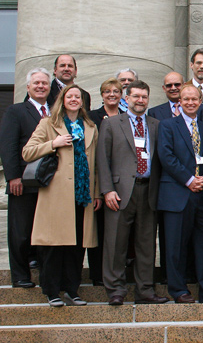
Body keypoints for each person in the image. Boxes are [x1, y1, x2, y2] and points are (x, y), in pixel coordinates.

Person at [22, 84, 102, 307]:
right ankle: (52, 290)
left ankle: (72, 290)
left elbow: (94, 165)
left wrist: (96, 194)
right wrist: (53, 144)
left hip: (82, 195)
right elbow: (27, 152)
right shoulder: (48, 123)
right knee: (54, 245)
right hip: (56, 195)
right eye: (70, 96)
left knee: (77, 247)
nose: (74, 99)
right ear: (62, 100)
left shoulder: (90, 127)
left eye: (78, 97)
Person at [97, 80, 169, 306]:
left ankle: (145, 290)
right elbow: (102, 159)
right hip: (119, 192)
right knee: (115, 243)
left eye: (144, 97)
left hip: (148, 191)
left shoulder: (157, 125)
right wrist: (107, 190)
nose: (140, 100)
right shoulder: (111, 124)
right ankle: (116, 289)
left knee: (146, 244)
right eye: (136, 96)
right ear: (126, 98)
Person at [157, 84, 203, 303]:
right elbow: (166, 156)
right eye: (186, 99)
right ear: (179, 101)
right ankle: (178, 290)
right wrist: (189, 180)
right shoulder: (167, 126)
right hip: (177, 194)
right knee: (175, 246)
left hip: (202, 195)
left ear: (201, 101)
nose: (191, 102)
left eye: (195, 99)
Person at [0, 68, 52, 288]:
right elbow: (9, 145)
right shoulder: (16, 111)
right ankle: (20, 276)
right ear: (28, 87)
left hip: (50, 183)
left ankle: (44, 275)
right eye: (36, 83)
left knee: (45, 232)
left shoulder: (55, 111)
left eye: (44, 83)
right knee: (21, 232)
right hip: (23, 182)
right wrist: (13, 177)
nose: (41, 86)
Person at [86, 78, 124, 286]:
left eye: (116, 91)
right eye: (108, 91)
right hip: (99, 181)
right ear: (102, 95)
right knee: (98, 230)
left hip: (122, 183)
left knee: (118, 233)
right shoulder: (92, 117)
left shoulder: (125, 117)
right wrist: (98, 190)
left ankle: (117, 272)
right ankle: (97, 275)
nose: (112, 94)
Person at [24, 55, 91, 111]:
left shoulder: (84, 95)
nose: (66, 69)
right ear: (55, 70)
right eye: (62, 65)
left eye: (70, 66)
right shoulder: (42, 90)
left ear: (75, 71)